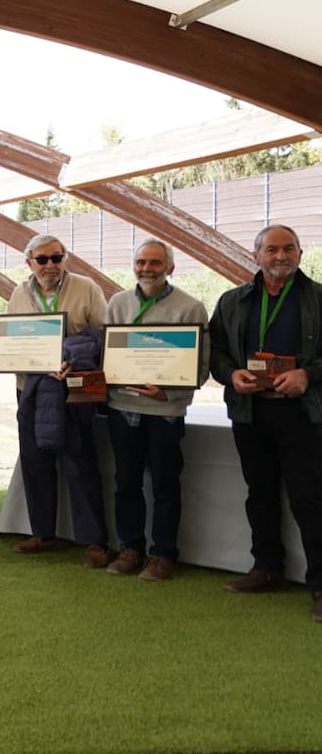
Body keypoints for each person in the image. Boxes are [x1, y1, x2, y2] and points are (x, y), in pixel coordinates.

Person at [209, 224, 322, 622]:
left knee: (310, 498)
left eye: (288, 248)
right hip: (250, 411)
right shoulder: (232, 301)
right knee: (260, 493)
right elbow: (216, 351)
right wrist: (231, 374)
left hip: (304, 414)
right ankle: (267, 568)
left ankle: (320, 585)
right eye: (271, 249)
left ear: (300, 253)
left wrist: (308, 375)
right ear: (255, 255)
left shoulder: (319, 297)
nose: (280, 256)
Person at [0, 234, 109, 567]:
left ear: (65, 258)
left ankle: (94, 542)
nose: (50, 265)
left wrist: (76, 359)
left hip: (75, 391)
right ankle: (43, 534)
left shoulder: (87, 288)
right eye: (42, 259)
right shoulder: (18, 293)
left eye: (57, 257)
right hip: (30, 390)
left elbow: (103, 337)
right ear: (29, 263)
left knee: (80, 465)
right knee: (35, 463)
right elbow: (12, 338)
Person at [104, 239, 209, 581]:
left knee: (165, 484)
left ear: (170, 268)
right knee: (126, 483)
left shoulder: (190, 308)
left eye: (155, 263)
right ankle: (130, 548)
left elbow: (201, 364)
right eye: (141, 262)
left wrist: (169, 390)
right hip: (122, 408)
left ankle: (163, 555)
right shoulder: (117, 303)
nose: (146, 269)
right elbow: (107, 354)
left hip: (166, 409)